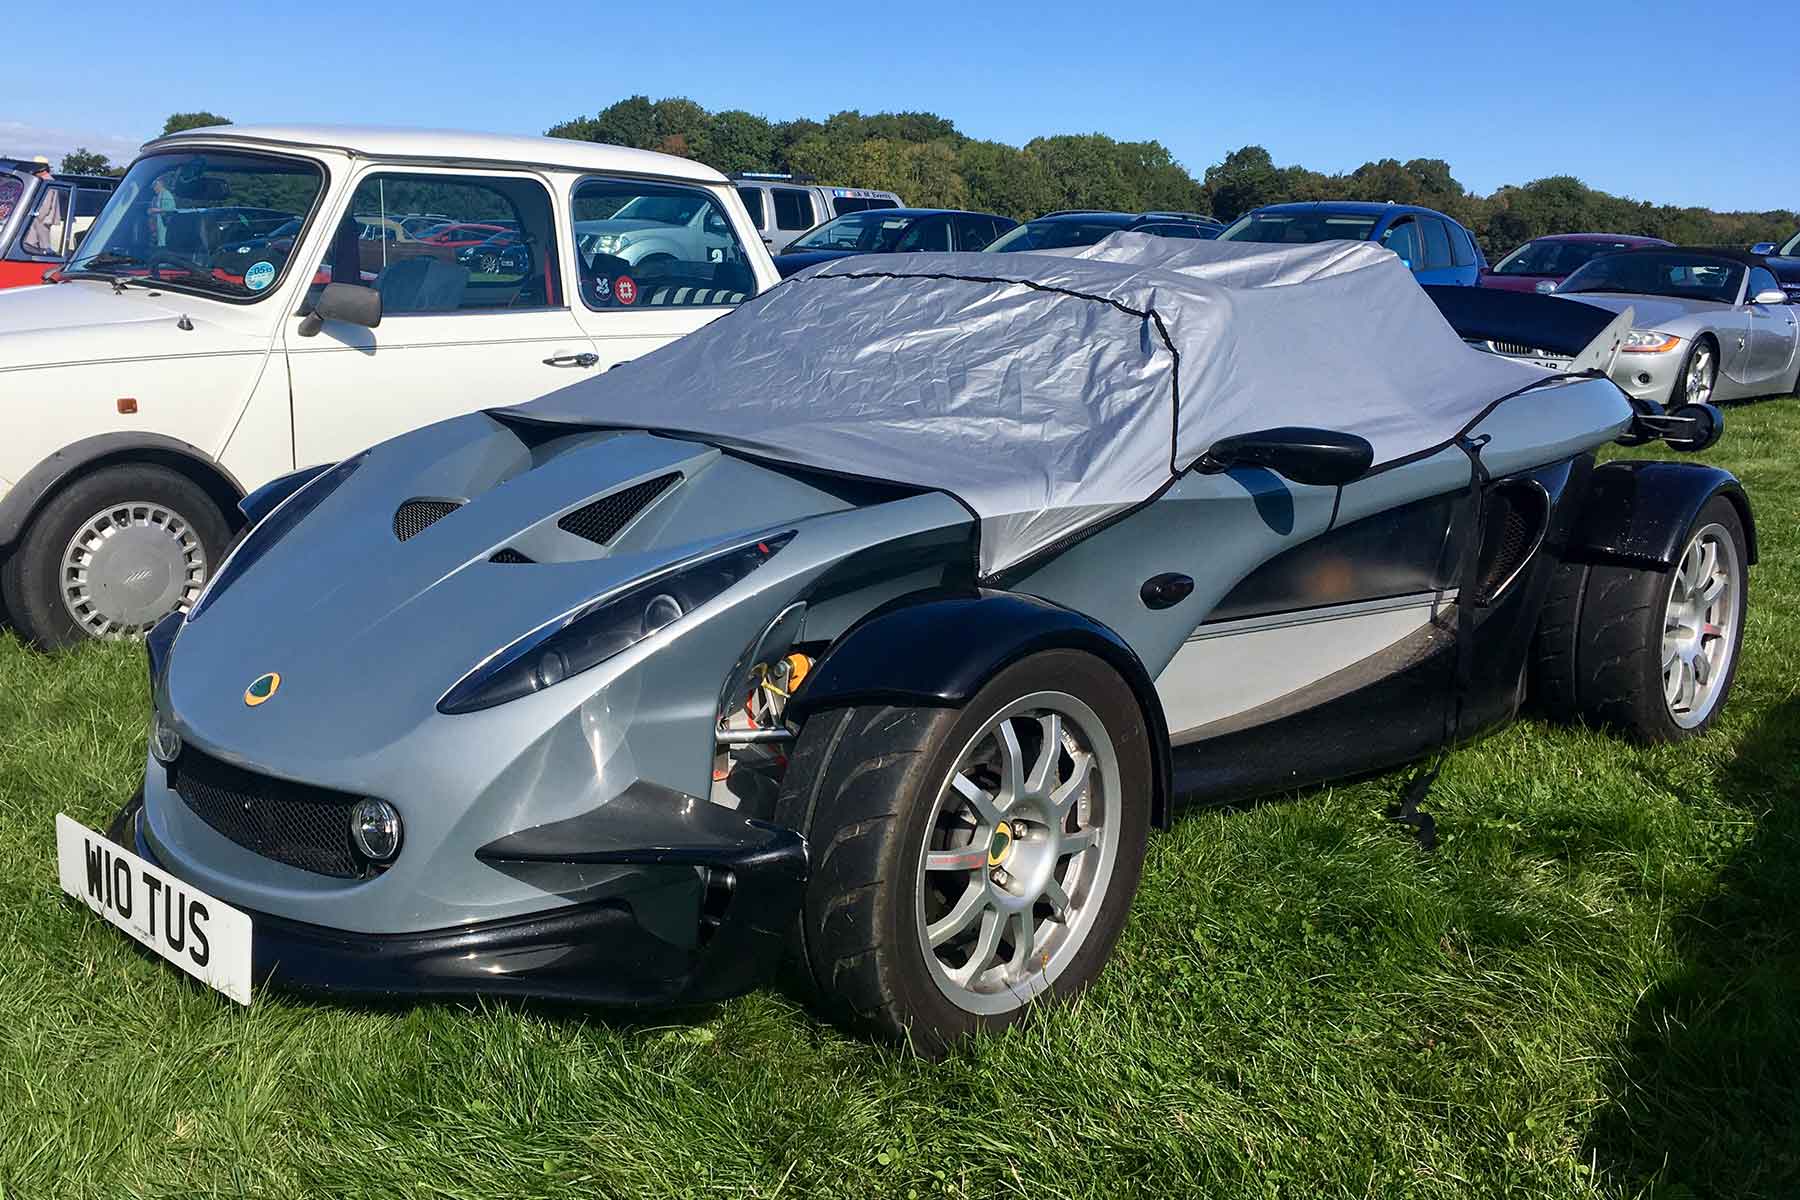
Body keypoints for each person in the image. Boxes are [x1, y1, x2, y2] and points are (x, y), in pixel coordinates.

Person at [22, 158, 63, 256]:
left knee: (43, 244)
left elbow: (46, 203)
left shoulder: (47, 181)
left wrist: (37, 216)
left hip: (43, 218)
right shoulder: (44, 180)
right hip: (41, 218)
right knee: (33, 242)